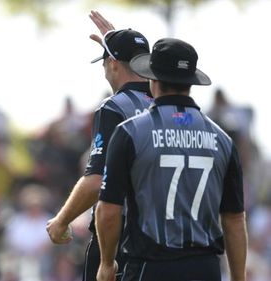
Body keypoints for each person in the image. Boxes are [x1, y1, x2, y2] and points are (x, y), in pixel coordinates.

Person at [95, 38, 247, 281]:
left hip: (151, 267)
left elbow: (109, 210)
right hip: (205, 269)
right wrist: (239, 278)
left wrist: (105, 264)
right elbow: (234, 219)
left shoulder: (130, 132)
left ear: (152, 79)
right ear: (191, 82)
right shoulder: (223, 140)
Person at [46, 10, 152, 281]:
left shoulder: (113, 107)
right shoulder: (167, 106)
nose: (104, 69)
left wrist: (61, 221)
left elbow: (97, 182)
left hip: (121, 236)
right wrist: (119, 43)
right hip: (165, 241)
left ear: (114, 63)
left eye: (105, 62)